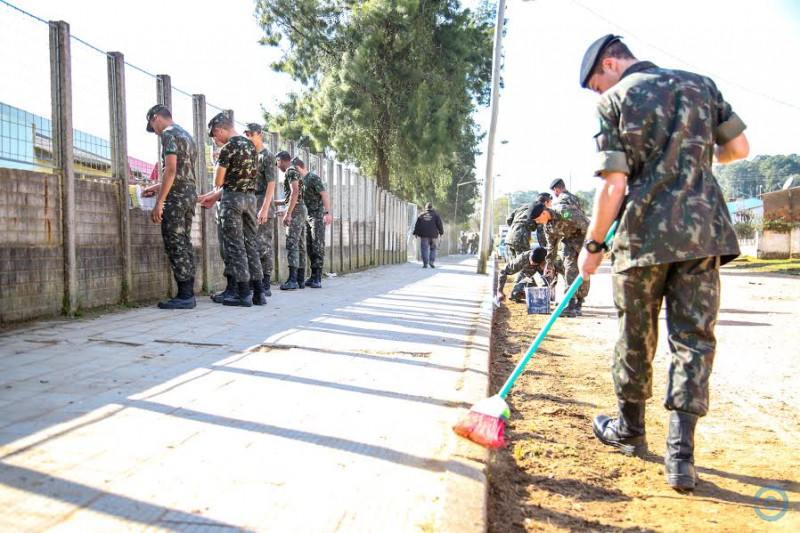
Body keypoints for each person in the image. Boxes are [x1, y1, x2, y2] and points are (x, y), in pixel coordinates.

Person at [576, 34, 749, 491]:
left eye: (596, 84)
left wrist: (593, 246)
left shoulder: (615, 101)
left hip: (643, 237)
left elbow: (613, 185)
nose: (598, 92)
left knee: (636, 332)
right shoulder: (702, 85)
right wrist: (690, 156)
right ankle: (681, 457)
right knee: (693, 340)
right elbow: (739, 150)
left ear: (610, 64)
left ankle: (630, 429)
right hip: (702, 233)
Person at [197, 113, 265, 306]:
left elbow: (219, 181)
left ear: (219, 130)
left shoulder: (228, 148)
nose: (216, 141)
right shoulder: (252, 146)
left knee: (235, 246)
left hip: (232, 199)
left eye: (214, 137)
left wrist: (219, 162)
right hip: (250, 199)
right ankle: (259, 293)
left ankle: (243, 294)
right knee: (251, 244)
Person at [142, 104, 197, 310]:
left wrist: (160, 201)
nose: (155, 132)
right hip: (190, 193)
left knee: (175, 242)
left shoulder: (168, 133)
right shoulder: (188, 136)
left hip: (176, 196)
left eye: (152, 126)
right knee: (184, 240)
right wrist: (157, 187)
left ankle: (185, 296)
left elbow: (172, 169)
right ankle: (188, 291)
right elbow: (183, 171)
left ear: (156, 118)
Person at [531, 198, 591, 318]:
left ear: (544, 212)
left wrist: (591, 247)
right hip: (569, 243)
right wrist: (549, 264)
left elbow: (587, 224)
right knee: (569, 270)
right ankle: (571, 304)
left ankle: (579, 302)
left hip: (584, 241)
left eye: (538, 219)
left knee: (584, 270)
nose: (538, 222)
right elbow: (551, 246)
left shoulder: (563, 212)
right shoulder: (547, 227)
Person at [244, 123, 276, 297]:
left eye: (251, 134)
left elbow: (271, 184)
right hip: (250, 204)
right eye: (246, 134)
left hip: (263, 205)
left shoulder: (267, 156)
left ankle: (265, 283)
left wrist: (264, 208)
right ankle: (254, 281)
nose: (249, 137)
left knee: (263, 245)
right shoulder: (250, 156)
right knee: (251, 244)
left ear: (259, 135)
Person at [294, 158, 332, 288]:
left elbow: (324, 195)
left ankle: (318, 277)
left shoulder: (313, 178)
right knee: (309, 246)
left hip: (317, 215)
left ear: (298, 168)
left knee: (318, 245)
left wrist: (328, 213)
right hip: (307, 215)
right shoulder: (299, 181)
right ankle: (312, 275)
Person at [275, 151, 307, 289]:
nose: (277, 165)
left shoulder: (290, 171)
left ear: (280, 160)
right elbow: (290, 197)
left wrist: (288, 213)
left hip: (297, 210)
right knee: (299, 244)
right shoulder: (296, 172)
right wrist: (271, 202)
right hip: (300, 208)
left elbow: (295, 192)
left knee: (292, 243)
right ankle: (300, 279)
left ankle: (293, 280)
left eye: (277, 162)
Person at [412, 202, 444, 268]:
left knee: (424, 249)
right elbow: (440, 225)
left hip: (424, 236)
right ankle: (431, 262)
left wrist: (415, 232)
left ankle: (425, 264)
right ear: (432, 208)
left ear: (425, 208)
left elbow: (417, 225)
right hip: (434, 236)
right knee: (434, 249)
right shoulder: (436, 215)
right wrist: (441, 233)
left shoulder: (421, 215)